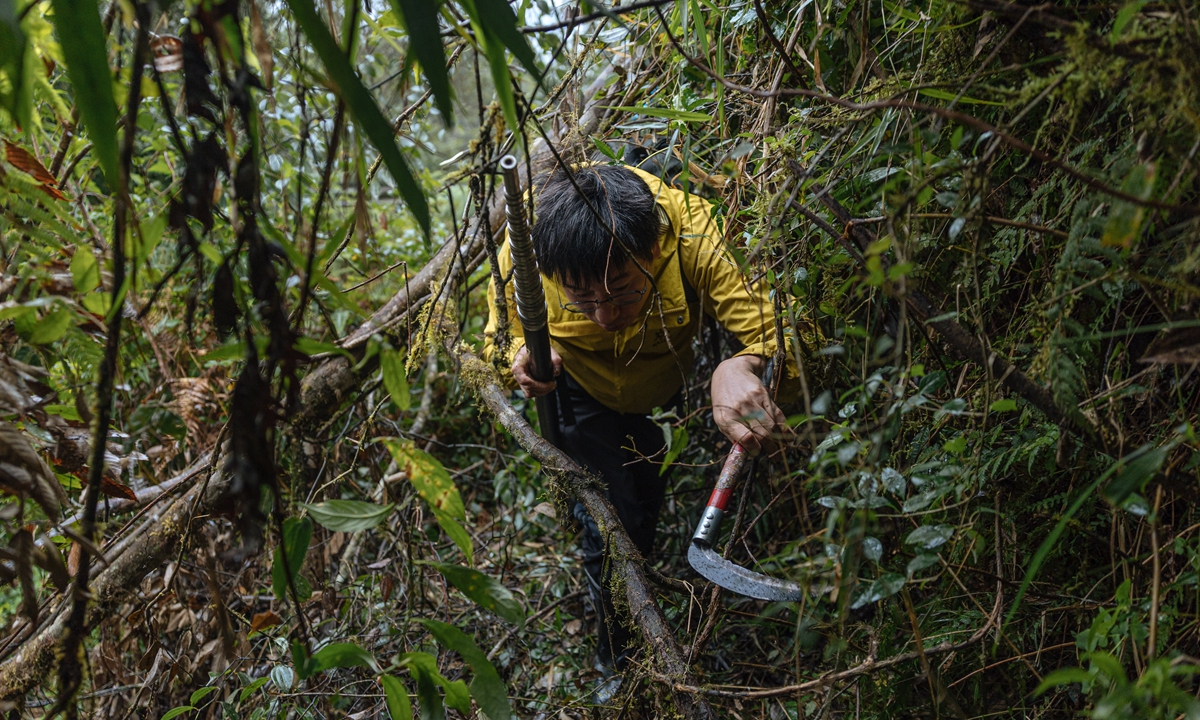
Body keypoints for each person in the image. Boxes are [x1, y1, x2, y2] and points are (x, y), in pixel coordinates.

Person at [482, 161, 796, 700]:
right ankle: (617, 660)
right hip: (579, 392)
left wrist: (738, 367)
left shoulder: (692, 229)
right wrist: (517, 357)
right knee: (614, 523)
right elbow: (494, 339)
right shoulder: (526, 252)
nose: (604, 316)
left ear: (651, 253)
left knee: (640, 496)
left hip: (662, 383)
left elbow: (781, 332)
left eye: (622, 293)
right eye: (583, 301)